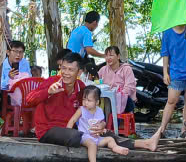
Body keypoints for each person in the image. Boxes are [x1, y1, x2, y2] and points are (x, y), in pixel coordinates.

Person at [26, 53, 159, 150]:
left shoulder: (81, 88)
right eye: (63, 69)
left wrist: (100, 124)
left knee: (105, 132)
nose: (65, 73)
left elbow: (92, 111)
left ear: (79, 72)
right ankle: (105, 144)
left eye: (70, 70)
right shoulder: (51, 82)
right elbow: (28, 101)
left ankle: (145, 144)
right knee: (76, 135)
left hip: (75, 129)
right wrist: (48, 92)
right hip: (49, 130)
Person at [69, 84, 131, 162]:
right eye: (84, 99)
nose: (85, 103)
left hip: (96, 138)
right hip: (83, 137)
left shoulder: (99, 111)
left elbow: (102, 122)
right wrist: (68, 134)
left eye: (89, 100)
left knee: (110, 139)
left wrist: (102, 126)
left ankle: (115, 147)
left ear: (97, 102)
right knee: (92, 145)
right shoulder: (81, 110)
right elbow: (72, 121)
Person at [154, 22, 186, 137]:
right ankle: (161, 130)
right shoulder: (167, 32)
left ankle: (184, 130)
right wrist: (165, 72)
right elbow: (165, 53)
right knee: (171, 100)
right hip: (176, 72)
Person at [97, 45, 138, 117]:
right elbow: (97, 82)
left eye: (111, 55)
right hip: (107, 100)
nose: (108, 58)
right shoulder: (103, 70)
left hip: (125, 101)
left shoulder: (126, 69)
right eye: (106, 56)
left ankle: (115, 125)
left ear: (118, 56)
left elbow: (129, 88)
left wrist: (117, 96)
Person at [0, 40, 29, 107]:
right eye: (15, 51)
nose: (18, 55)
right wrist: (9, 78)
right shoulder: (2, 65)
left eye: (21, 52)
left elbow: (29, 79)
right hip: (7, 97)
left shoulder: (25, 63)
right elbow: (0, 86)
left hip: (24, 95)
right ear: (8, 52)